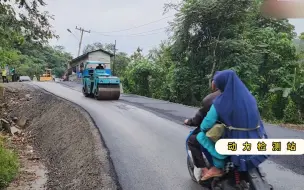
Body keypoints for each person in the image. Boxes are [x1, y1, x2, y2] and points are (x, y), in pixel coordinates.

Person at [196, 70, 268, 181]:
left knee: (201, 135)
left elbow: (206, 125)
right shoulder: (250, 98)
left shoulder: (220, 102)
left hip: (236, 142)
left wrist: (204, 128)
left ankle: (218, 167)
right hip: (257, 137)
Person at [185, 80, 221, 181]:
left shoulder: (213, 100)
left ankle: (204, 170)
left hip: (221, 133)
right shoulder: (242, 98)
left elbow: (204, 123)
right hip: (246, 134)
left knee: (193, 140)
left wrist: (190, 122)